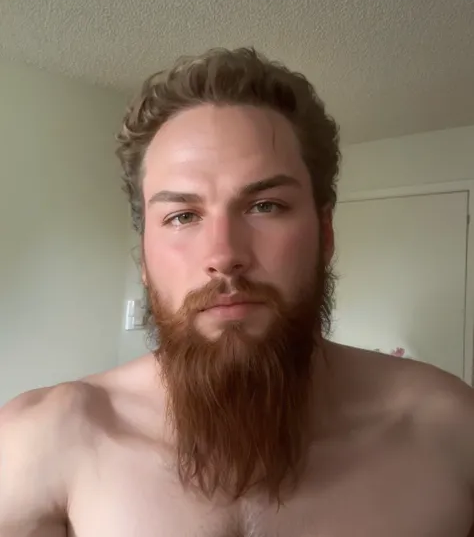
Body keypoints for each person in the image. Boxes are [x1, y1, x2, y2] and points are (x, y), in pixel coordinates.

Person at [1, 47, 474, 537]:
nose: (224, 254)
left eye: (266, 205)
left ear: (325, 234)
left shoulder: (451, 432)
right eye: (182, 216)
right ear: (143, 257)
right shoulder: (41, 443)